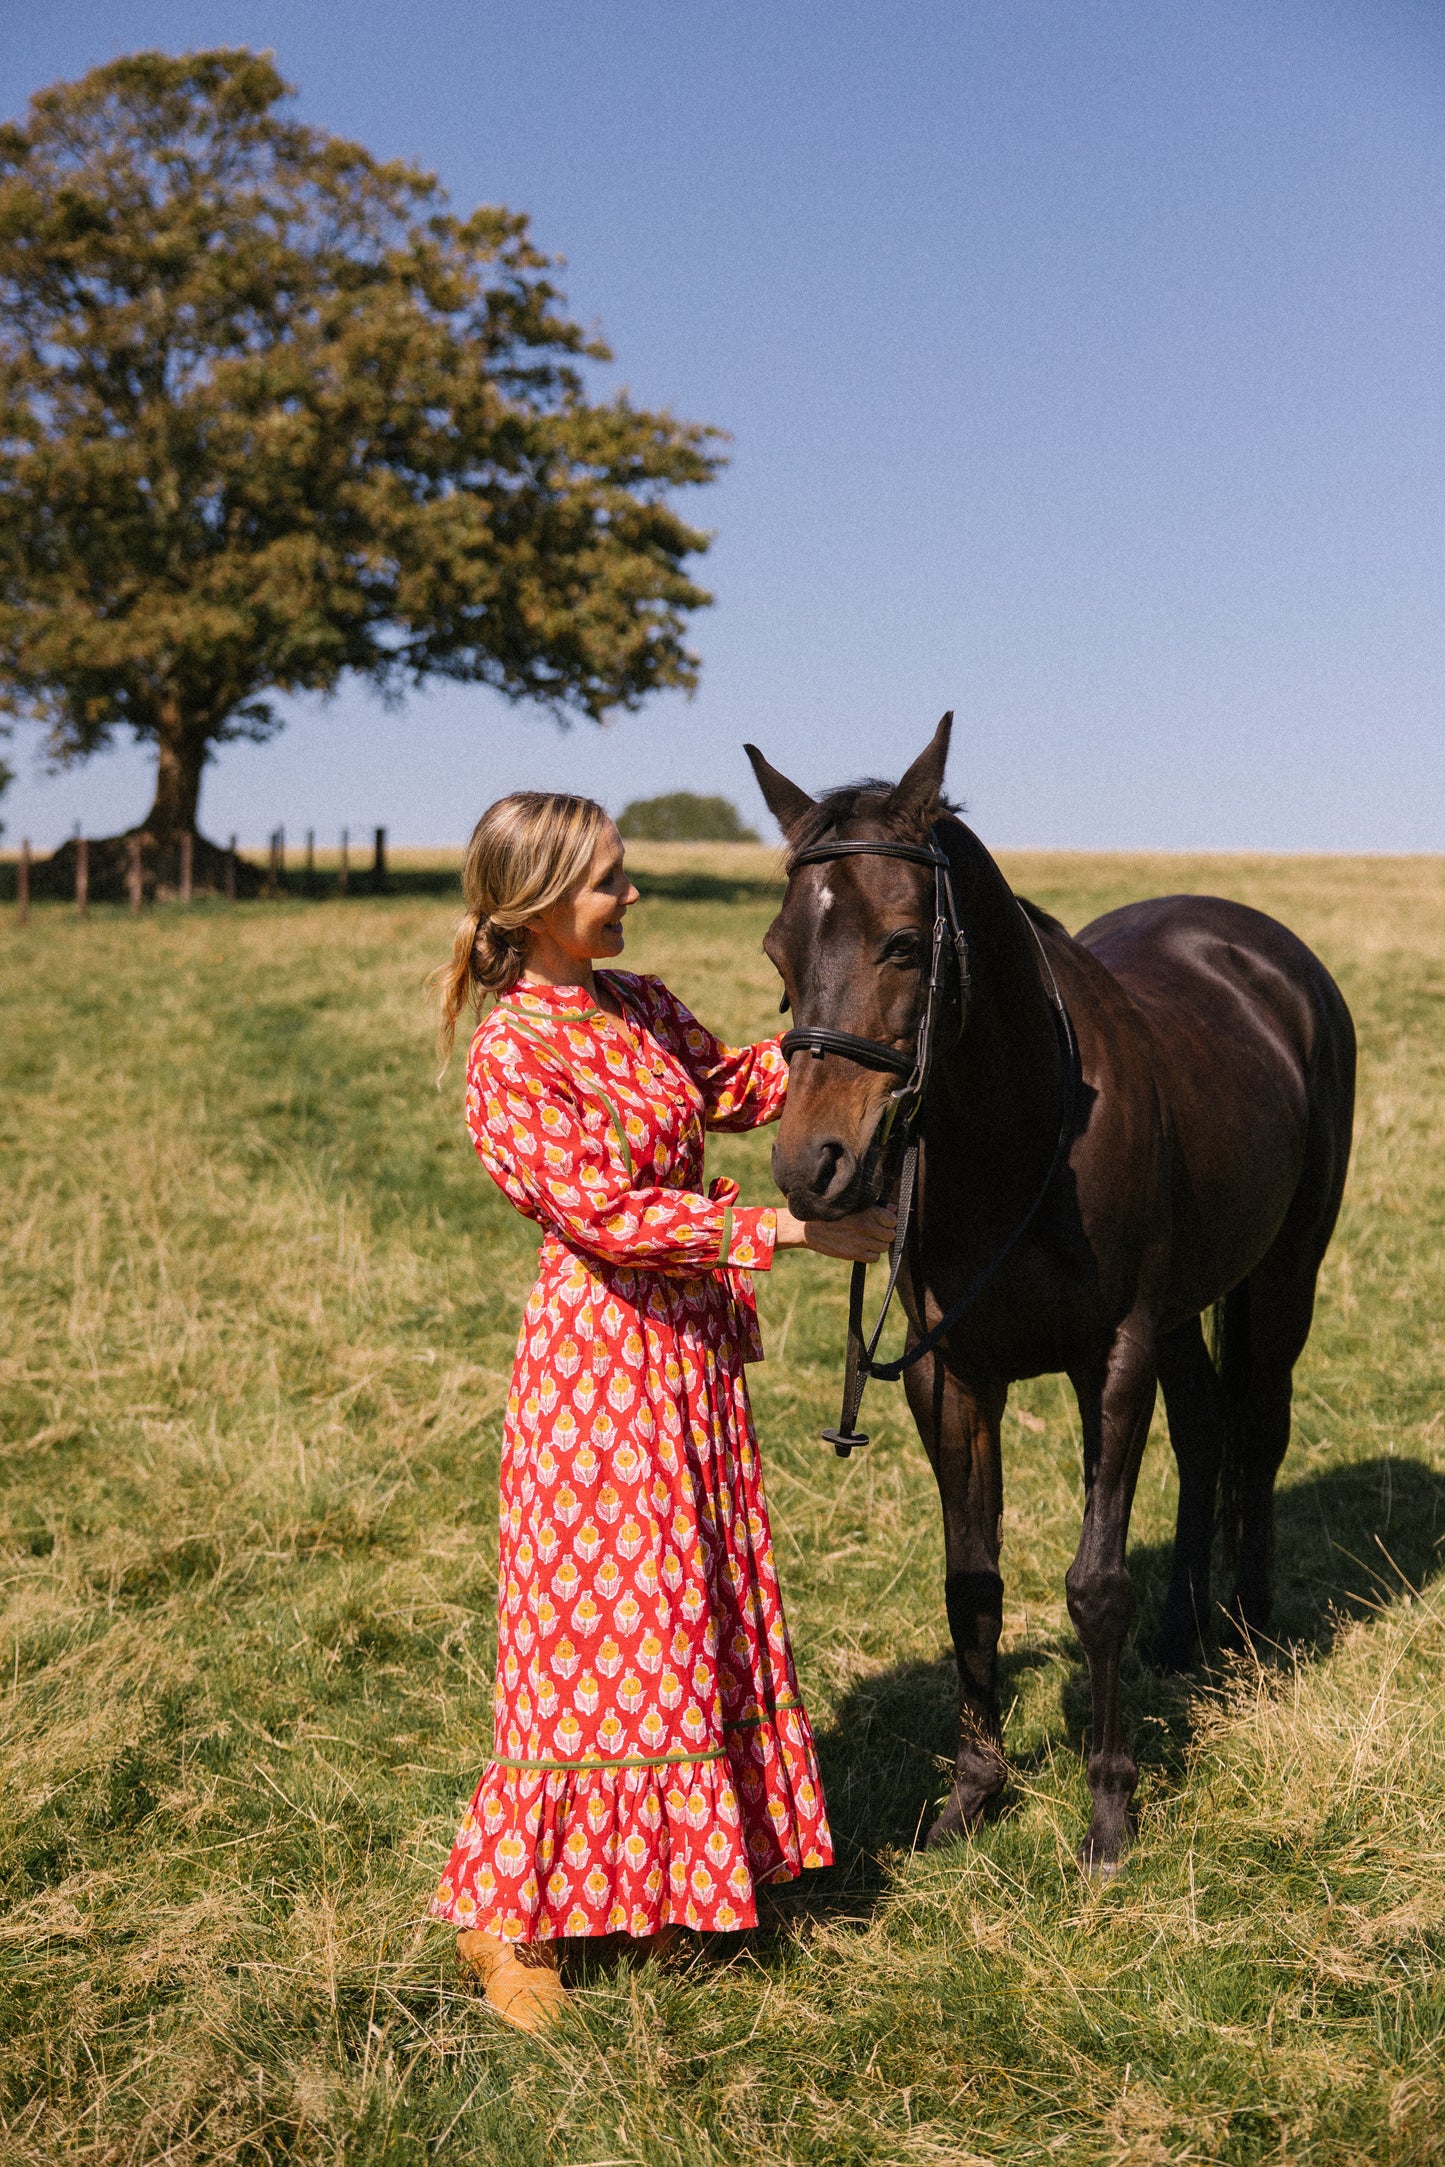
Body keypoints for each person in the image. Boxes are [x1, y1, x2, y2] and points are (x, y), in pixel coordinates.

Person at [427, 791, 894, 2029]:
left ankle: (681, 1877)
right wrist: (776, 1226)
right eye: (608, 884)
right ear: (535, 906)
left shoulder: (635, 1005)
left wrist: (841, 1042)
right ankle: (506, 1918)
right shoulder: (508, 1054)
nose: (631, 899)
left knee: (692, 1613)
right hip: (598, 1373)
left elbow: (732, 1086)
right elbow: (599, 1212)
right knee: (588, 1643)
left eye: (625, 878)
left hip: (687, 1359)